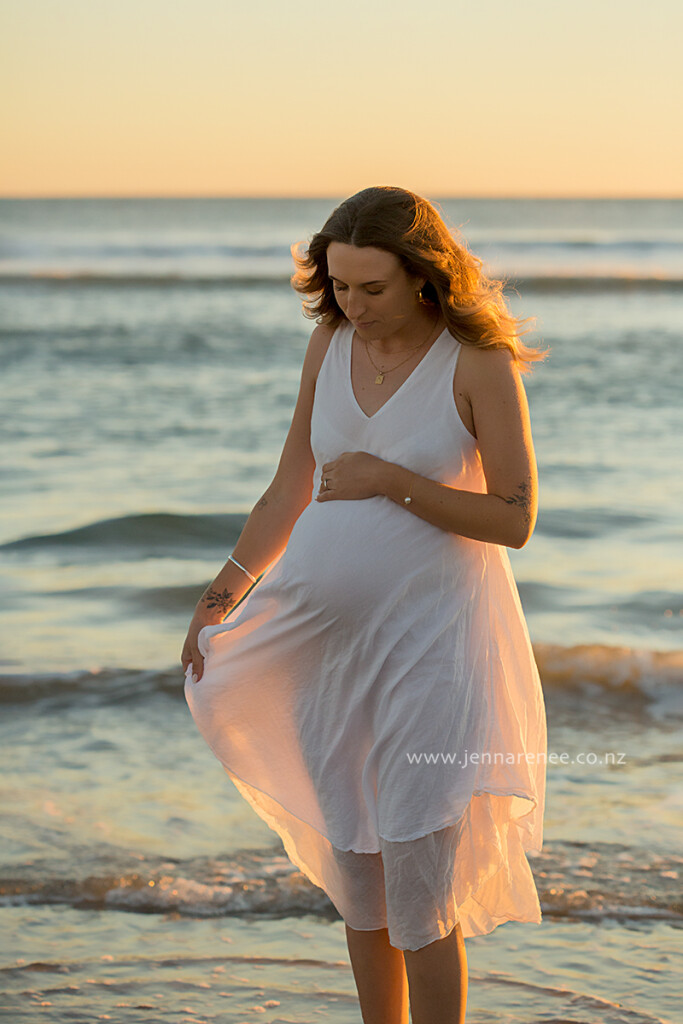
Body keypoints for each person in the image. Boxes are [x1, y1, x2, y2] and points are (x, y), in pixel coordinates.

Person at [181, 185, 548, 1024]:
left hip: (432, 653)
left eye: (370, 287)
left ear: (424, 276)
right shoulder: (329, 343)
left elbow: (514, 518)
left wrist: (389, 480)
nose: (352, 304)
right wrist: (219, 594)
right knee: (359, 876)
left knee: (419, 882)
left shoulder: (474, 361)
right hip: (325, 653)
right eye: (339, 285)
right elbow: (287, 490)